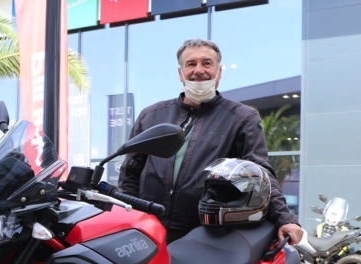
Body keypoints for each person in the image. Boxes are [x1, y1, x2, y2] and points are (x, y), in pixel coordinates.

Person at [118, 38, 304, 245]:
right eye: (191, 64)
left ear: (219, 72)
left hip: (205, 235)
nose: (199, 70)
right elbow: (130, 172)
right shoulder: (151, 115)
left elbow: (260, 173)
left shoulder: (242, 118)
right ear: (180, 73)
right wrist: (131, 216)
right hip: (147, 230)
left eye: (207, 63)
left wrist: (284, 218)